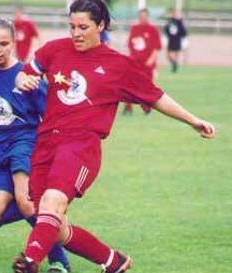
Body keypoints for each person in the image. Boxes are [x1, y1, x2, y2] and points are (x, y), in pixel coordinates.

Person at [12, 0, 216, 273]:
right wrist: (22, 80)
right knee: (53, 227)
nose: (76, 33)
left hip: (81, 145)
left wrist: (193, 120)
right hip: (46, 143)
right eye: (72, 26)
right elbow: (27, 71)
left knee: (52, 203)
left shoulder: (119, 66)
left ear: (102, 25)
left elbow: (156, 97)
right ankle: (113, 262)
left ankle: (29, 261)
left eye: (83, 27)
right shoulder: (54, 50)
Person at [0, 18, 70, 273]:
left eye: (4, 44)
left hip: (24, 142)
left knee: (26, 200)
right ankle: (48, 214)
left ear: (13, 44)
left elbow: (52, 115)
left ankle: (58, 259)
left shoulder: (28, 76)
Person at [124, 8, 162, 115]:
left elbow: (157, 46)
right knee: (130, 84)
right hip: (135, 62)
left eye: (144, 16)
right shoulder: (134, 28)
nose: (142, 18)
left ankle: (147, 108)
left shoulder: (152, 29)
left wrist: (152, 59)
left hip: (147, 64)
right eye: (141, 16)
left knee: (146, 87)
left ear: (147, 17)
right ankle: (128, 108)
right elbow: (130, 45)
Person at [164, 8, 187, 73]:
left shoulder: (180, 22)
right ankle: (174, 64)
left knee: (176, 54)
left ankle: (174, 68)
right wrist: (168, 34)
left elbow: (184, 32)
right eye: (174, 13)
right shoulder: (170, 21)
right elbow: (166, 29)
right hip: (171, 40)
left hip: (177, 40)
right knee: (168, 55)